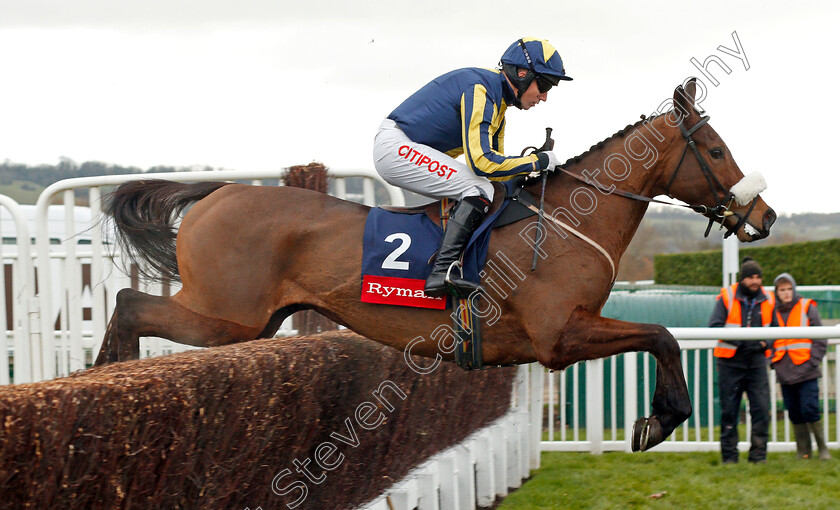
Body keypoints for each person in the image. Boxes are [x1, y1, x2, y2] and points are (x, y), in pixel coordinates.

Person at [373, 38, 572, 297]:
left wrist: (528, 170)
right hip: (395, 147)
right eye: (543, 85)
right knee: (477, 189)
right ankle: (441, 272)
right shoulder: (481, 89)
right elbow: (481, 164)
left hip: (406, 146)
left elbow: (494, 169)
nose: (544, 97)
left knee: (487, 188)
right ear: (521, 74)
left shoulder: (499, 103)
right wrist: (537, 161)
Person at [709, 257, 777, 464]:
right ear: (742, 279)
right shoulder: (727, 297)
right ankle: (729, 458)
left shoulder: (769, 298)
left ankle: (758, 457)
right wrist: (743, 341)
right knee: (729, 412)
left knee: (761, 410)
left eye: (758, 277)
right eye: (750, 277)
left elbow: (775, 330)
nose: (755, 281)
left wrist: (764, 344)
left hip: (756, 362)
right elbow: (715, 326)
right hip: (730, 362)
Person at [770, 272, 830, 459]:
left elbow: (820, 337)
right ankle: (803, 452)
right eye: (782, 290)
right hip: (784, 371)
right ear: (777, 292)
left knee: (809, 409)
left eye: (789, 289)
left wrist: (813, 361)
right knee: (794, 412)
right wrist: (773, 361)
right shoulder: (772, 311)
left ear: (794, 289)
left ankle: (822, 449)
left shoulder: (807, 306)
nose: (786, 293)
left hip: (807, 370)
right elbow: (768, 339)